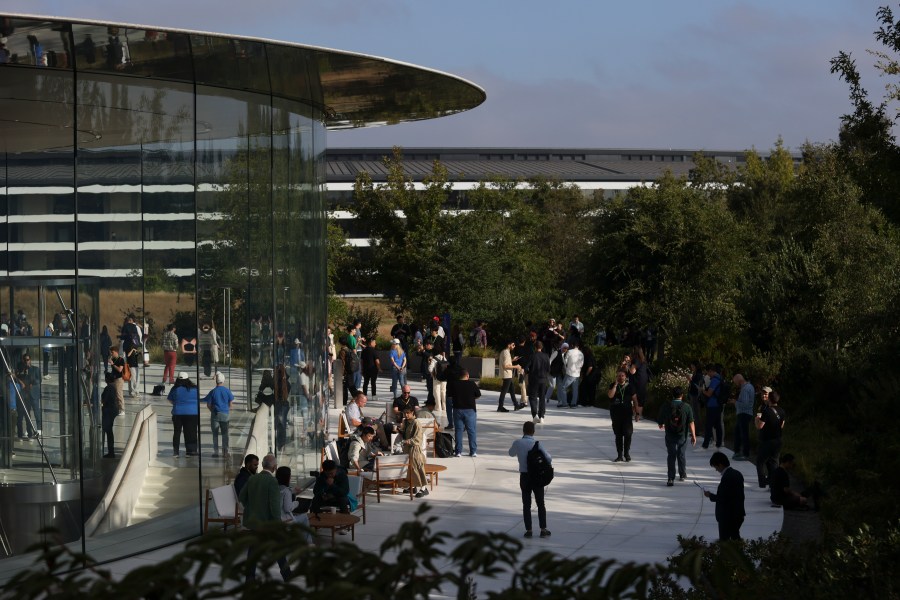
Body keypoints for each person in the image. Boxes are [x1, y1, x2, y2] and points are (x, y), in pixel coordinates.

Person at [239, 454, 291, 582]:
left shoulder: (252, 479)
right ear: (274, 467)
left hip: (254, 521)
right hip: (268, 522)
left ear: (262, 465)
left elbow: (242, 497)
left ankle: (250, 577)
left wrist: (252, 508)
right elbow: (274, 506)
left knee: (253, 550)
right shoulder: (273, 481)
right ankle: (287, 574)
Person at [509, 420, 551, 538]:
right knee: (540, 503)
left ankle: (529, 530)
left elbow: (510, 453)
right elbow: (548, 458)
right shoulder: (537, 444)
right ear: (533, 431)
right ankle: (543, 529)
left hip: (524, 477)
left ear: (523, 430)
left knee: (526, 504)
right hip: (537, 477)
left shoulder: (517, 443)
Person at [656, 386, 696, 485]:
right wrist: (693, 436)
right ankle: (682, 474)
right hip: (682, 435)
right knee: (681, 454)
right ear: (682, 395)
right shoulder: (687, 407)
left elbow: (660, 419)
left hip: (670, 434)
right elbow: (691, 422)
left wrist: (661, 424)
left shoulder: (666, 406)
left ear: (672, 395)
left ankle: (670, 478)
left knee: (671, 455)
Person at [703, 451, 746, 541]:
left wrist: (710, 495)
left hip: (728, 516)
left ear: (720, 464)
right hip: (738, 513)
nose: (716, 469)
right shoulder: (737, 473)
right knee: (735, 537)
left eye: (716, 466)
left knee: (725, 541)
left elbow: (723, 498)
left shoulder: (727, 477)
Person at [755, 388, 785, 489]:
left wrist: (757, 419)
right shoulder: (782, 411)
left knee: (760, 462)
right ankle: (774, 483)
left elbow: (759, 426)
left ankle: (762, 483)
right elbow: (781, 425)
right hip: (778, 440)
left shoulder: (767, 411)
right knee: (774, 462)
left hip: (767, 440)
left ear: (769, 400)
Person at [275, 466, 313, 543]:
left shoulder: (274, 488)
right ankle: (308, 543)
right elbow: (288, 508)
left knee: (297, 516)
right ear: (288, 477)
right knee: (304, 517)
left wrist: (293, 491)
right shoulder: (286, 491)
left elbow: (282, 493)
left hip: (276, 520)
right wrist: (296, 503)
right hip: (285, 522)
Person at [607, 368, 637, 462]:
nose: (620, 377)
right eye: (619, 375)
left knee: (628, 434)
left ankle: (626, 453)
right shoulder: (613, 385)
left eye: (622, 375)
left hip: (627, 414)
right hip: (616, 414)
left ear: (626, 377)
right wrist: (615, 385)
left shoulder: (630, 387)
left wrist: (637, 412)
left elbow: (635, 400)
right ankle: (619, 455)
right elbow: (610, 396)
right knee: (618, 435)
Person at [399, 406, 429, 497]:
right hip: (407, 448)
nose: (406, 415)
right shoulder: (405, 422)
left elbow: (418, 438)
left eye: (408, 413)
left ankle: (424, 488)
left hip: (414, 448)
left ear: (412, 412)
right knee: (409, 469)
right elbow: (404, 434)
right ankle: (412, 486)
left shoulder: (416, 423)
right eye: (405, 413)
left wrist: (409, 441)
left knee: (418, 467)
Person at [168, 373, 199, 457]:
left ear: (178, 379)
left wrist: (177, 404)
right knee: (191, 432)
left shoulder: (175, 389)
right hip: (192, 413)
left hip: (178, 413)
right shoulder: (195, 388)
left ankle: (176, 452)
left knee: (177, 432)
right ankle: (190, 451)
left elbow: (170, 400)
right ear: (188, 379)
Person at [451, 369, 480, 457]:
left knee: (458, 431)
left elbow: (449, 395)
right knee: (471, 431)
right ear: (467, 376)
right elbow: (478, 395)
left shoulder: (454, 384)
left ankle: (458, 451)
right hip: (470, 410)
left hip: (457, 410)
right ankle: (473, 451)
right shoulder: (472, 384)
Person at [205, 372, 234, 458]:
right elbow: (231, 404)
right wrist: (227, 410)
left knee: (215, 434)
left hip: (215, 415)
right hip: (225, 414)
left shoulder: (213, 391)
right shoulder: (227, 391)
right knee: (225, 434)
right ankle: (225, 452)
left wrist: (213, 411)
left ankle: (216, 452)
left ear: (216, 382)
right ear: (223, 381)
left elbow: (208, 405)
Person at [730, 373, 755, 461]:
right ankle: (739, 451)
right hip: (746, 413)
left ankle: (745, 453)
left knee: (743, 434)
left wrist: (735, 402)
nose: (735, 384)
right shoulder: (750, 386)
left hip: (744, 414)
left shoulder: (745, 389)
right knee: (739, 432)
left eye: (735, 382)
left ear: (739, 380)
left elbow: (744, 404)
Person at [527, 340, 550, 423]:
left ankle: (535, 415)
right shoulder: (546, 356)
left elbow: (526, 367)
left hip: (534, 380)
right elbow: (548, 369)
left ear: (535, 347)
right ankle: (542, 416)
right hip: (543, 379)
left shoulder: (532, 356)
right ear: (542, 347)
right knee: (542, 398)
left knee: (532, 397)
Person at [497, 340, 525, 412]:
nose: (514, 346)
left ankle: (516, 405)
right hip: (507, 375)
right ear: (508, 345)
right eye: (513, 345)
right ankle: (500, 407)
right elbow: (506, 366)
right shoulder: (506, 353)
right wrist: (516, 366)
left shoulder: (504, 351)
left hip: (507, 374)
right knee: (504, 391)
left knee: (512, 390)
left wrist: (512, 360)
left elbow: (506, 363)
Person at [701, 364, 724, 449]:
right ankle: (719, 443)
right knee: (717, 425)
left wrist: (702, 391)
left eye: (708, 373)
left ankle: (705, 445)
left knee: (708, 425)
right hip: (718, 405)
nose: (708, 375)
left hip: (712, 405)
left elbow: (709, 393)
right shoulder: (720, 378)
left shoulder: (714, 380)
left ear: (711, 371)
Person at [18, 354, 41, 435]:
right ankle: (29, 429)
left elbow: (39, 381)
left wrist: (32, 382)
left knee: (36, 411)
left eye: (28, 360)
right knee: (27, 413)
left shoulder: (36, 369)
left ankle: (39, 428)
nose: (26, 361)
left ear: (30, 360)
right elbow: (19, 379)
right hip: (26, 394)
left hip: (33, 394)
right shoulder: (22, 370)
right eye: (25, 360)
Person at [557, 341, 584, 409]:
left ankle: (565, 404)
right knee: (575, 389)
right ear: (578, 346)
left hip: (570, 372)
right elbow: (581, 364)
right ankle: (573, 404)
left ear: (572, 345)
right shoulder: (581, 353)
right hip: (577, 373)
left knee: (563, 387)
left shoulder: (569, 352)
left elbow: (565, 362)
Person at [100, 372, 119, 458]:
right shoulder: (113, 387)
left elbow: (104, 400)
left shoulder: (108, 388)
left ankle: (111, 452)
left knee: (108, 431)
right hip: (112, 410)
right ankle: (110, 451)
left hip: (109, 411)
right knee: (109, 431)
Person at [109, 346, 125, 415]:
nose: (111, 354)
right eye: (111, 353)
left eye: (112, 352)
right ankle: (117, 409)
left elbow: (120, 370)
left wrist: (113, 364)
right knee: (114, 395)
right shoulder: (113, 359)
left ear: (116, 352)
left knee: (119, 394)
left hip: (119, 379)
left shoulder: (121, 359)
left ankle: (122, 409)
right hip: (114, 379)